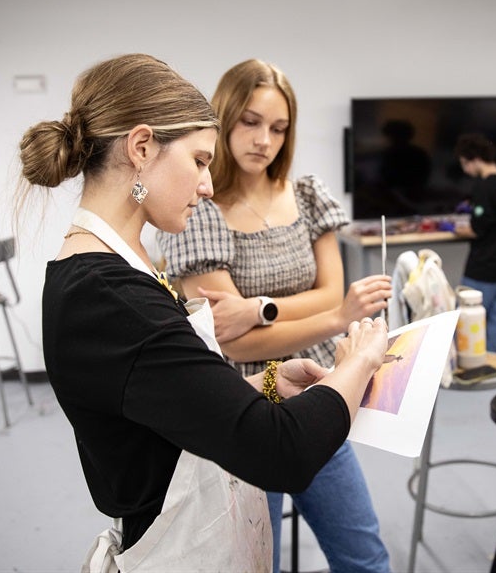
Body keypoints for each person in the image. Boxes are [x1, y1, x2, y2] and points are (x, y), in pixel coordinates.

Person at [17, 53, 388, 572]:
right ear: (141, 148)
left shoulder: (111, 270)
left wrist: (267, 383)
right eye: (197, 161)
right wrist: (359, 361)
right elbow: (280, 451)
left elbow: (170, 396)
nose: (207, 184)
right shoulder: (110, 297)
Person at [156, 59, 392, 573]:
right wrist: (336, 318)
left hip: (319, 396)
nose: (264, 140)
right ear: (224, 117)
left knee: (365, 557)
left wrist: (260, 308)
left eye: (279, 128)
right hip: (246, 404)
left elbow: (332, 291)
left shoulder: (305, 194)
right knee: (261, 562)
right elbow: (234, 342)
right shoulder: (200, 209)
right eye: (250, 122)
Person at [454, 133, 496, 354]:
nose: (465, 170)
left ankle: (463, 361)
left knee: (464, 315)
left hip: (483, 265)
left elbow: (477, 228)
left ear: (474, 159)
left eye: (464, 163)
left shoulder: (484, 186)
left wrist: (455, 228)